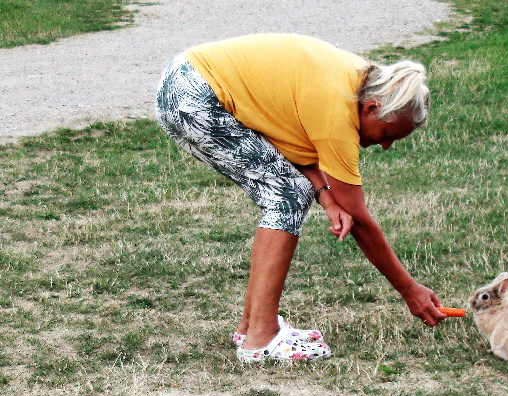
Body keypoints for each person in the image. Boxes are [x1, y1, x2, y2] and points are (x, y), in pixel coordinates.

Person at [155, 33, 447, 363]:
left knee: (289, 191)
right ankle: (260, 339)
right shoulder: (339, 111)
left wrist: (326, 196)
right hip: (194, 95)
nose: (386, 146)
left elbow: (284, 130)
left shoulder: (356, 79)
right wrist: (410, 289)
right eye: (388, 134)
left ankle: (251, 326)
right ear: (372, 108)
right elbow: (360, 221)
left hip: (187, 78)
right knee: (286, 195)